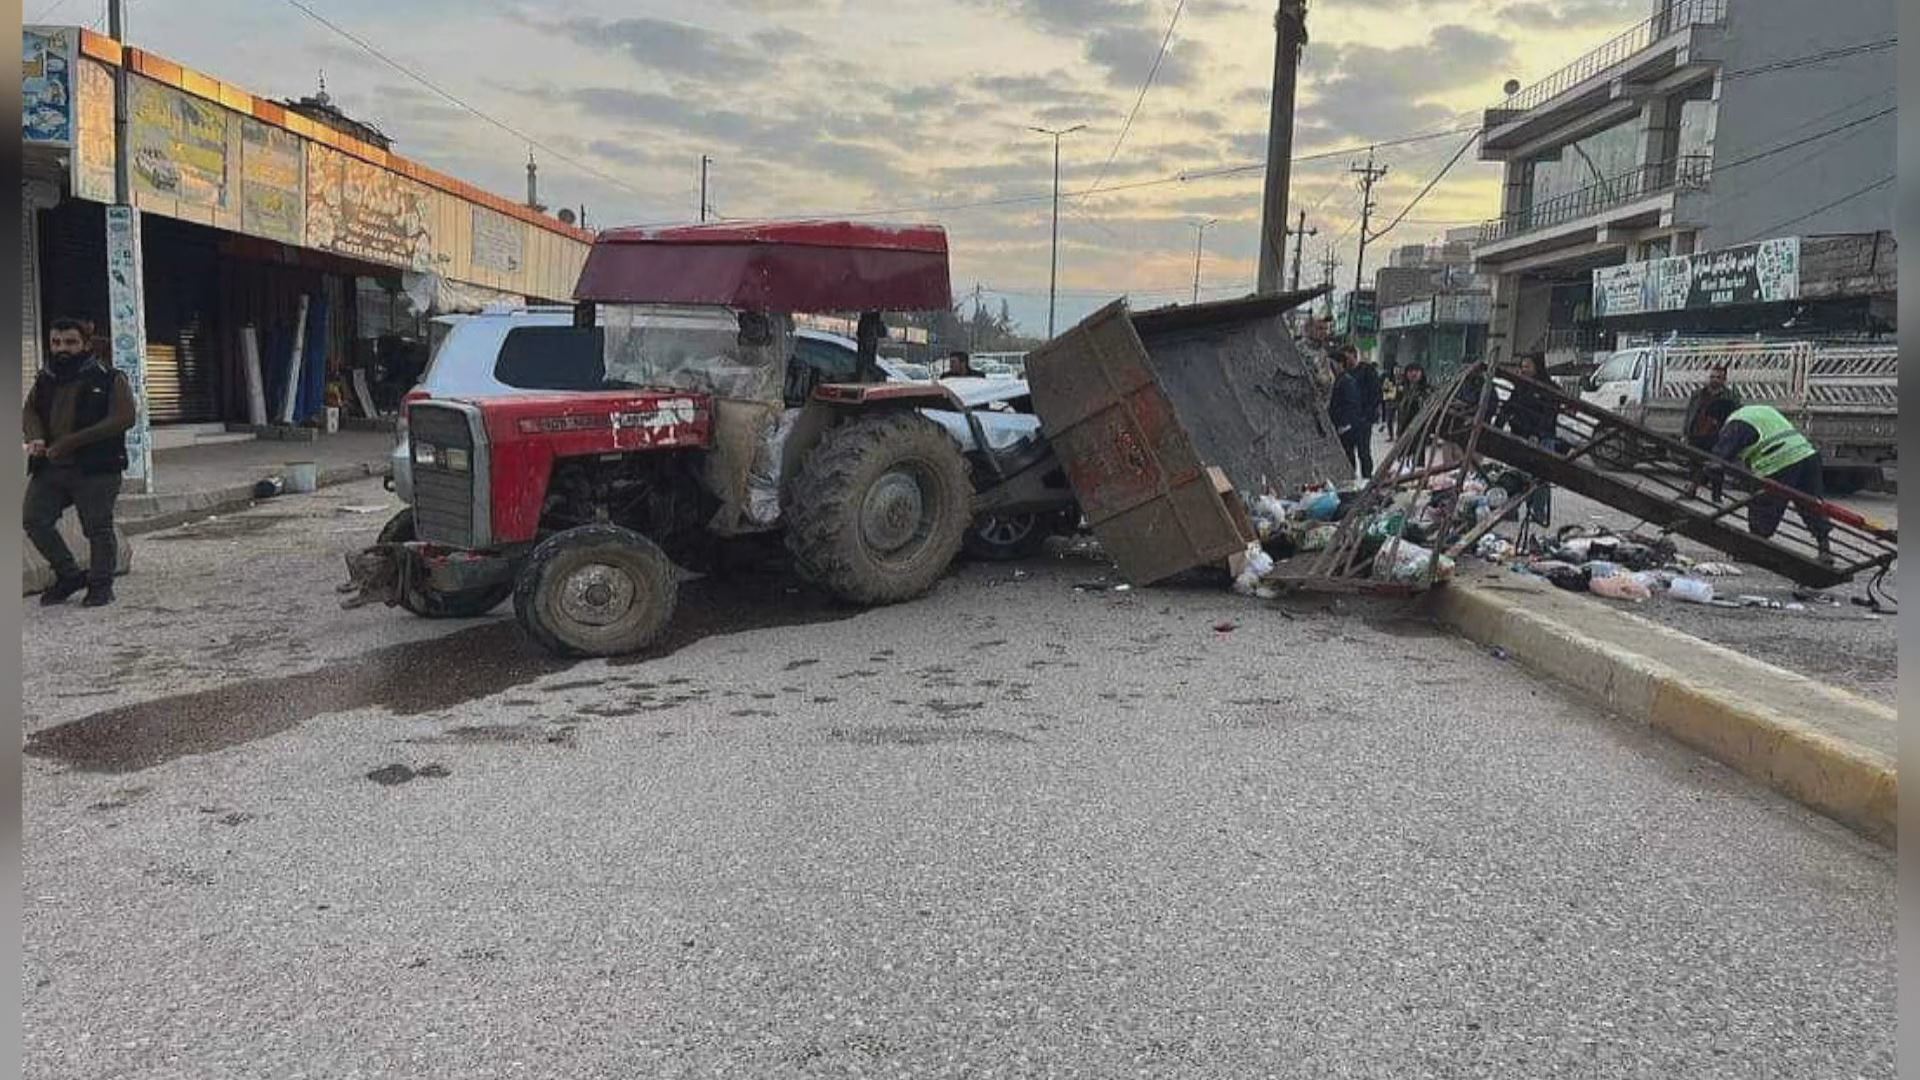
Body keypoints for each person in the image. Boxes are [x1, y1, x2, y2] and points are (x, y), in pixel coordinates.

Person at [23, 317, 137, 607]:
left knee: (97, 527)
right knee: (35, 519)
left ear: (86, 344)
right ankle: (69, 575)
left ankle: (101, 585)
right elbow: (30, 411)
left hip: (96, 468)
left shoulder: (110, 378)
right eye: (56, 342)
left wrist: (72, 441)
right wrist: (35, 437)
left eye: (70, 342)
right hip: (51, 468)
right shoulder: (46, 377)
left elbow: (123, 418)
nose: (62, 348)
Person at [1708, 403, 1834, 563]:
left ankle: (1754, 550)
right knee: (1812, 504)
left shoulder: (1733, 424)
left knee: (1763, 505)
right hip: (1807, 455)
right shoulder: (1761, 410)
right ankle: (1824, 548)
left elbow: (1718, 459)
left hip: (1778, 461)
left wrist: (1704, 477)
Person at [1495, 353, 1560, 529]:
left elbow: (1549, 415)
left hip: (1542, 437)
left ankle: (1538, 512)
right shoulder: (1521, 386)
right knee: (1516, 472)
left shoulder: (1548, 388)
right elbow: (1510, 406)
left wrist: (1537, 435)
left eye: (1527, 366)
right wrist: (1498, 424)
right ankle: (1512, 510)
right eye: (1522, 366)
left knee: (1540, 476)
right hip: (1520, 435)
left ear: (1537, 367)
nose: (1524, 369)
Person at [1328, 346, 1375, 480]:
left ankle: (1366, 480)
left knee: (1362, 453)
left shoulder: (1348, 380)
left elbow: (1352, 404)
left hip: (1354, 425)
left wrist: (1346, 423)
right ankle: (1352, 480)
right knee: (1348, 455)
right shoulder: (1339, 380)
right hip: (1347, 425)